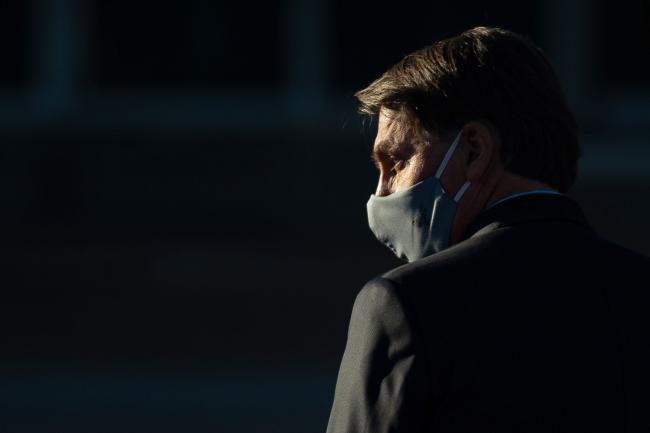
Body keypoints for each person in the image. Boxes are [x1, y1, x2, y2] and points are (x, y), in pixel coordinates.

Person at [326, 26, 650, 433]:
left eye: (397, 162)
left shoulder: (408, 306)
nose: (382, 192)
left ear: (475, 151)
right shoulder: (638, 291)